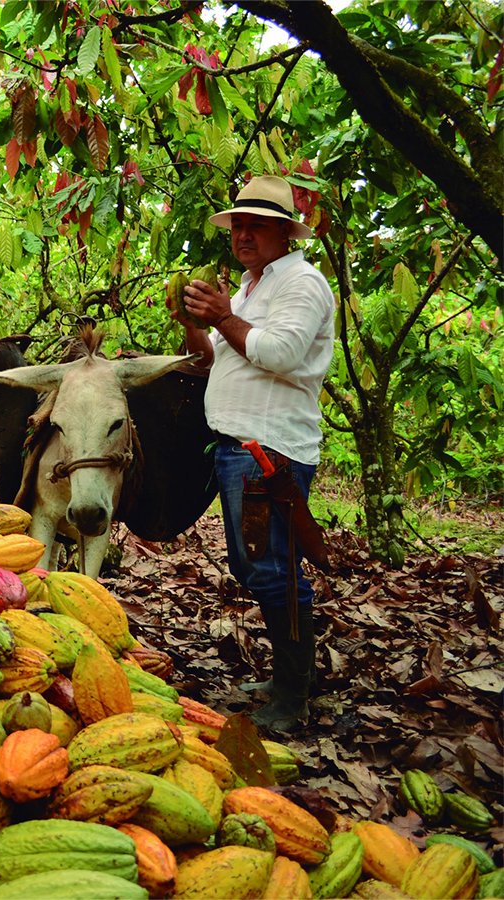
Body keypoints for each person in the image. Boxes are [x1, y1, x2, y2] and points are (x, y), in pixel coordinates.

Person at [171, 175, 335, 732]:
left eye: (255, 225)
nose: (242, 234)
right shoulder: (247, 288)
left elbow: (282, 353)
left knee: (272, 566)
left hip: (271, 449)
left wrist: (220, 316)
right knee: (254, 562)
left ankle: (293, 695)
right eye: (238, 224)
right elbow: (218, 358)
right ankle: (291, 677)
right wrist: (196, 326)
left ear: (284, 232)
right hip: (238, 445)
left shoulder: (302, 284)